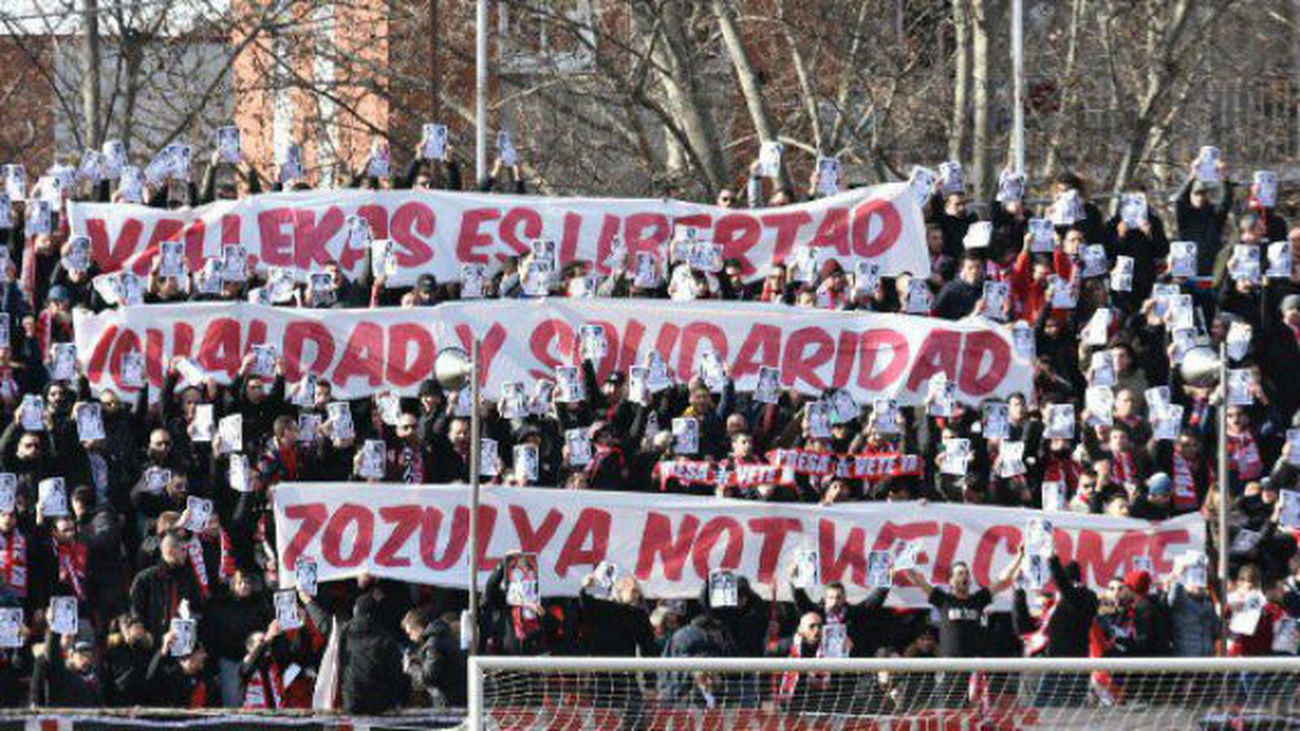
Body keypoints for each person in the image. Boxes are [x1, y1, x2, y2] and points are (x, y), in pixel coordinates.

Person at [301, 588, 409, 714]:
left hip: (352, 701)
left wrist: (307, 600)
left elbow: (322, 621)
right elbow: (395, 676)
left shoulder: (343, 632)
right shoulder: (387, 641)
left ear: (355, 611)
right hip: (381, 704)